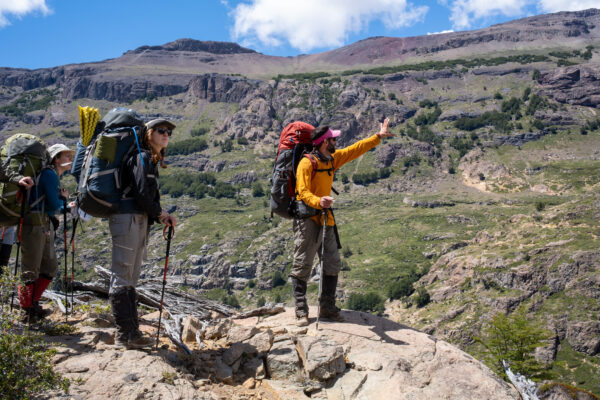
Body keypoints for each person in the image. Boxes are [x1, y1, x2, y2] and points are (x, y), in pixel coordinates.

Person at [290, 118, 393, 326]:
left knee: (332, 263)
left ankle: (327, 307)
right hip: (308, 219)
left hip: (326, 218)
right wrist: (319, 201)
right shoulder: (306, 163)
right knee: (303, 263)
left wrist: (378, 137)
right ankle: (301, 310)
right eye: (332, 139)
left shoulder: (332, 159)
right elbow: (302, 192)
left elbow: (355, 150)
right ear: (323, 142)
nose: (336, 142)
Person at [108, 118, 177, 349]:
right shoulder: (142, 157)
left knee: (130, 276)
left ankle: (131, 332)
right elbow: (140, 192)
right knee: (123, 274)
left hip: (136, 219)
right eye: (161, 131)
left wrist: (158, 214)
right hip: (128, 218)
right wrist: (160, 213)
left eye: (168, 132)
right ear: (149, 134)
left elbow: (145, 194)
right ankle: (124, 334)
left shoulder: (149, 159)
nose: (166, 134)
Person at [17, 143, 74, 321]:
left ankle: (31, 304)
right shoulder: (49, 174)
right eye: (66, 156)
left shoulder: (51, 174)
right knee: (31, 268)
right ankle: (27, 309)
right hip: (35, 224)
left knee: (48, 267)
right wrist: (64, 202)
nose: (69, 160)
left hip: (42, 224)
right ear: (56, 159)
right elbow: (53, 204)